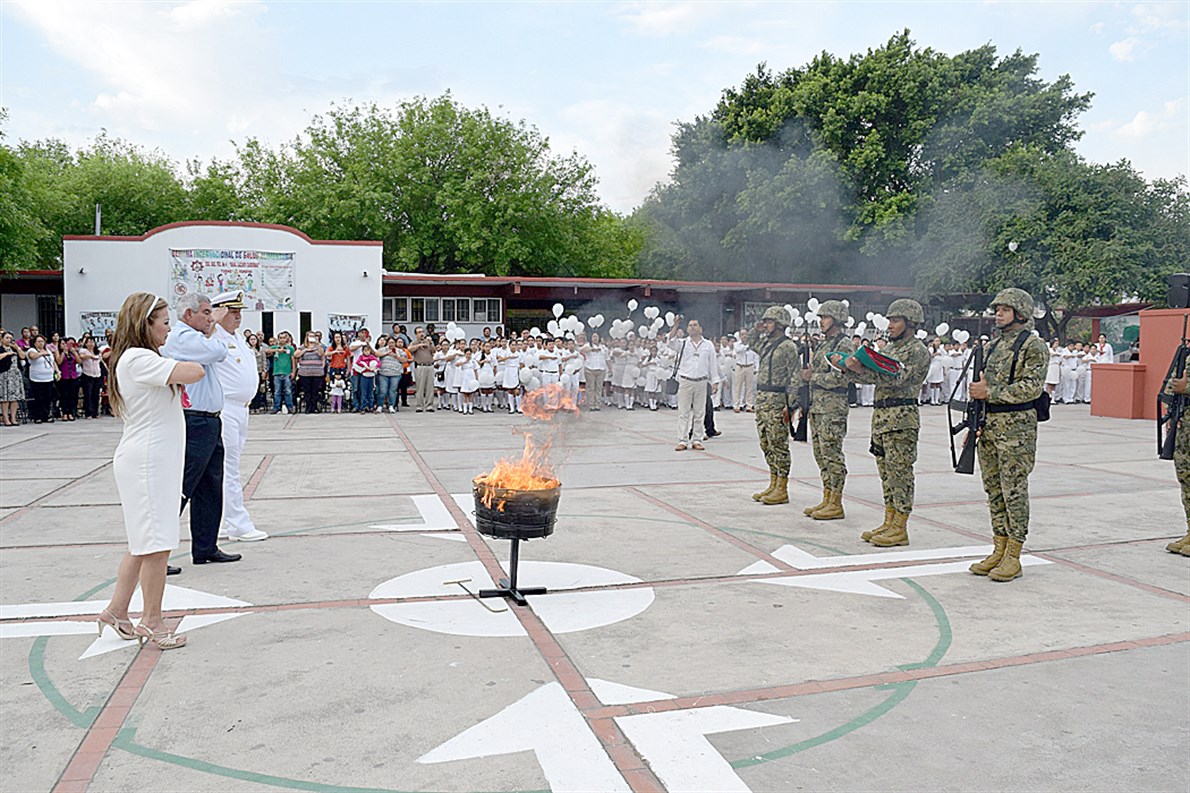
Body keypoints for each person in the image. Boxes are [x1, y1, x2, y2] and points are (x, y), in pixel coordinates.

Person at [100, 292, 205, 650]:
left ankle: (117, 610)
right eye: (164, 323)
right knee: (157, 544)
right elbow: (196, 370)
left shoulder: (141, 358)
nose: (168, 329)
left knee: (143, 543)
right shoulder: (137, 358)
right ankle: (153, 620)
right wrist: (186, 341)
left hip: (152, 460)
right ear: (145, 324)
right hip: (146, 462)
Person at [966, 289, 1049, 581]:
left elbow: (1031, 388)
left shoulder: (1033, 346)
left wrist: (991, 392)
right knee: (994, 490)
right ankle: (998, 548)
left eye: (1005, 309)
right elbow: (980, 387)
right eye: (997, 309)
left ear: (1020, 313)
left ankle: (1014, 554)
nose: (998, 313)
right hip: (989, 426)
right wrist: (973, 422)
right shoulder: (992, 347)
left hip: (1016, 430)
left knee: (1013, 490)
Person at [163, 292, 242, 572]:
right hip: (193, 421)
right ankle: (157, 554)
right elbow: (219, 352)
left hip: (209, 420)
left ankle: (205, 547)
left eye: (211, 313)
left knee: (209, 487)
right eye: (206, 313)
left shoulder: (197, 337)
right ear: (188, 314)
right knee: (182, 487)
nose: (211, 318)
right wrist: (216, 327)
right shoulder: (183, 337)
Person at [845, 299, 930, 547]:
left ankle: (900, 527)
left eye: (895, 320)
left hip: (901, 419)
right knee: (886, 474)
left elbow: (897, 378)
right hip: (882, 418)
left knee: (900, 474)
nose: (890, 325)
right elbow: (875, 376)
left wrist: (865, 367)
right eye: (890, 319)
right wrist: (851, 368)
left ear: (910, 322)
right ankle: (889, 520)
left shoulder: (917, 351)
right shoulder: (891, 350)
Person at [211, 292, 269, 543]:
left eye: (239, 311)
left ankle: (226, 520)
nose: (238, 316)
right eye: (232, 311)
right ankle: (238, 524)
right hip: (225, 408)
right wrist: (213, 320)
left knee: (230, 467)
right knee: (229, 468)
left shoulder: (238, 338)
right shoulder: (213, 336)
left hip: (241, 409)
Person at [801, 300, 854, 519]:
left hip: (833, 406)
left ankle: (836, 502)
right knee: (821, 455)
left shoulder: (843, 344)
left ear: (836, 319)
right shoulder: (824, 344)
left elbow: (842, 377)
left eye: (825, 317)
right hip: (818, 405)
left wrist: (813, 376)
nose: (821, 321)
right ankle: (827, 498)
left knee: (832, 455)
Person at [747, 307, 799, 503]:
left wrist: (791, 405)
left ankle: (782, 488)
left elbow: (794, 377)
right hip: (763, 399)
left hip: (778, 400)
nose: (766, 325)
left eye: (769, 322)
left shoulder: (788, 347)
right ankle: (773, 482)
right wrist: (756, 329)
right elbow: (751, 342)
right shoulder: (767, 343)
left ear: (779, 324)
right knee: (766, 443)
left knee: (779, 444)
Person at [666, 316, 721, 451]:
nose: (692, 327)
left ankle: (697, 439)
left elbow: (713, 364)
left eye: (695, 325)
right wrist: (675, 325)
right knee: (683, 412)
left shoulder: (708, 345)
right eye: (690, 325)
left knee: (699, 412)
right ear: (687, 329)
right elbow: (670, 342)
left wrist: (715, 381)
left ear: (700, 328)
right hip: (685, 381)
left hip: (701, 382)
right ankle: (683, 440)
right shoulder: (683, 343)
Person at [1163, 346, 1190, 556]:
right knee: (1185, 475)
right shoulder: (1186, 352)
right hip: (1185, 422)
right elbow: (1174, 380)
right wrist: (1172, 413)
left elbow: (1182, 384)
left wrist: (1186, 386)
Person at [26, 335, 58, 424]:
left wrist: (57, 371)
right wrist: (41, 353)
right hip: (37, 378)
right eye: (39, 341)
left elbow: (53, 361)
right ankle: (37, 416)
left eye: (42, 341)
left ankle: (46, 415)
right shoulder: (32, 350)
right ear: (34, 343)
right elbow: (32, 357)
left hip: (49, 378)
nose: (41, 343)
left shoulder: (48, 350)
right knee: (38, 398)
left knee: (47, 398)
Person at [295, 332, 326, 413]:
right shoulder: (303, 347)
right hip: (305, 372)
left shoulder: (319, 346)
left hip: (317, 372)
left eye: (313, 336)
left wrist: (317, 343)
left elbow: (321, 354)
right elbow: (296, 355)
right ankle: (308, 407)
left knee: (315, 391)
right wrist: (305, 350)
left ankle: (314, 407)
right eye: (310, 336)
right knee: (307, 391)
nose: (312, 337)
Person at [0, 331, 25, 425]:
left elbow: (23, 356)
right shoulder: (1, 349)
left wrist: (17, 348)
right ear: (2, 339)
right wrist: (7, 354)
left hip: (15, 374)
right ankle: (6, 418)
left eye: (10, 338)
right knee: (5, 398)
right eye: (7, 338)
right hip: (4, 375)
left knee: (14, 398)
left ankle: (13, 418)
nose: (9, 340)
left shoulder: (14, 348)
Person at [267, 331, 296, 413]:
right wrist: (277, 350)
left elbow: (293, 360)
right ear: (278, 339)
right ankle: (276, 407)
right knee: (277, 391)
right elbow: (266, 351)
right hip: (277, 372)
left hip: (287, 372)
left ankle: (290, 407)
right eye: (280, 338)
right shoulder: (275, 347)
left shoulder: (290, 348)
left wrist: (293, 371)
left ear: (286, 339)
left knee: (288, 391)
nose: (282, 339)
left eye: (284, 338)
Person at [409, 327, 436, 412]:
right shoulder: (414, 343)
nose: (421, 334)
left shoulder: (428, 342)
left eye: (422, 332)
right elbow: (409, 349)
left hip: (430, 366)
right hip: (420, 366)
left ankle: (429, 405)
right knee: (420, 387)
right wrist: (419, 345)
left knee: (430, 387)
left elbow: (434, 351)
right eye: (419, 332)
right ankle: (419, 405)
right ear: (416, 334)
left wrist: (431, 343)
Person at [732, 330, 755, 412]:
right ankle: (736, 405)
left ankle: (749, 405)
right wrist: (746, 346)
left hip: (749, 366)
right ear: (740, 336)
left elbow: (755, 356)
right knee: (738, 387)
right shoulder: (736, 344)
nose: (744, 336)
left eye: (745, 334)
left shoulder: (752, 344)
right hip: (740, 366)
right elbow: (738, 350)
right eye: (742, 334)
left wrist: (756, 367)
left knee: (749, 388)